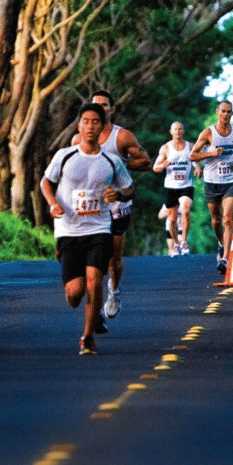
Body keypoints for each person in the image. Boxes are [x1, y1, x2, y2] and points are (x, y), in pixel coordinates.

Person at [42, 103, 135, 355]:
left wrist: (118, 193)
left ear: (102, 126)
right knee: (74, 295)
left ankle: (87, 337)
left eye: (96, 121)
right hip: (69, 231)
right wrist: (52, 204)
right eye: (86, 121)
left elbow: (129, 188)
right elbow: (46, 183)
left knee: (95, 282)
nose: (90, 126)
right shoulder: (65, 156)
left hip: (99, 229)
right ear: (78, 125)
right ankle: (68, 271)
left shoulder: (112, 160)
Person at [71, 90, 151, 319]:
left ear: (111, 109)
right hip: (90, 204)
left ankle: (113, 291)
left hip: (117, 202)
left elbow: (146, 162)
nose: (100, 108)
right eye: (96, 105)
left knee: (113, 258)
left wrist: (120, 164)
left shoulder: (122, 137)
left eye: (105, 105)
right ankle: (93, 300)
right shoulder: (78, 139)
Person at [190, 100, 233, 275]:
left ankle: (225, 258)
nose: (226, 115)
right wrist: (210, 153)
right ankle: (220, 243)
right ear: (218, 112)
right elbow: (192, 156)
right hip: (212, 181)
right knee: (216, 219)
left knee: (228, 219)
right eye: (223, 111)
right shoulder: (208, 133)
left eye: (229, 112)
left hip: (231, 181)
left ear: (232, 114)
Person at [152, 121, 197, 256]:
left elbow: (195, 159)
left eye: (180, 129)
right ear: (171, 132)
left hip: (186, 185)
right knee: (171, 219)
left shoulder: (190, 146)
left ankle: (183, 241)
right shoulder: (165, 148)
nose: (178, 131)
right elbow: (155, 167)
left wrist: (198, 167)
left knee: (185, 209)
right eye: (175, 129)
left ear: (183, 131)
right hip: (171, 187)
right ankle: (176, 243)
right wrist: (163, 165)